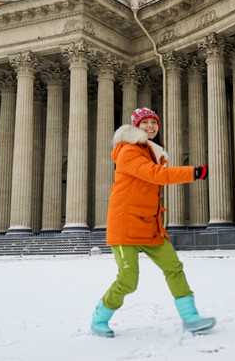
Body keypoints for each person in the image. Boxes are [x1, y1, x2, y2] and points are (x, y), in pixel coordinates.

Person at [90, 107, 214, 338]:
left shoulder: (149, 152)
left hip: (149, 225)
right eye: (144, 122)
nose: (150, 126)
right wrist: (194, 172)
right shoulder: (128, 151)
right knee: (128, 281)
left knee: (174, 268)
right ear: (135, 127)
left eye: (154, 122)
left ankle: (191, 318)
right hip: (126, 225)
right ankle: (100, 317)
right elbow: (157, 175)